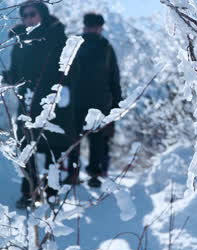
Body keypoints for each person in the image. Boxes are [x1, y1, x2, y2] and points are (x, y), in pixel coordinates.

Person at [3, 1, 78, 209]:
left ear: (42, 14)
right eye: (24, 15)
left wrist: (66, 90)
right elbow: (16, 74)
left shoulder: (57, 38)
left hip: (52, 101)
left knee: (52, 147)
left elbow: (72, 68)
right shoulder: (20, 42)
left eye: (32, 14)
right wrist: (5, 77)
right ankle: (30, 192)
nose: (28, 18)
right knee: (28, 148)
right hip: (27, 102)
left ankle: (52, 193)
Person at [73, 13, 122, 188]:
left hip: (90, 103)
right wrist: (116, 104)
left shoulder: (103, 47)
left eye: (94, 26)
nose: (92, 29)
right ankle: (80, 174)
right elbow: (114, 78)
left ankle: (85, 174)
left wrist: (116, 105)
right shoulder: (81, 45)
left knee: (91, 141)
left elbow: (114, 78)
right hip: (88, 102)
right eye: (90, 25)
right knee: (90, 140)